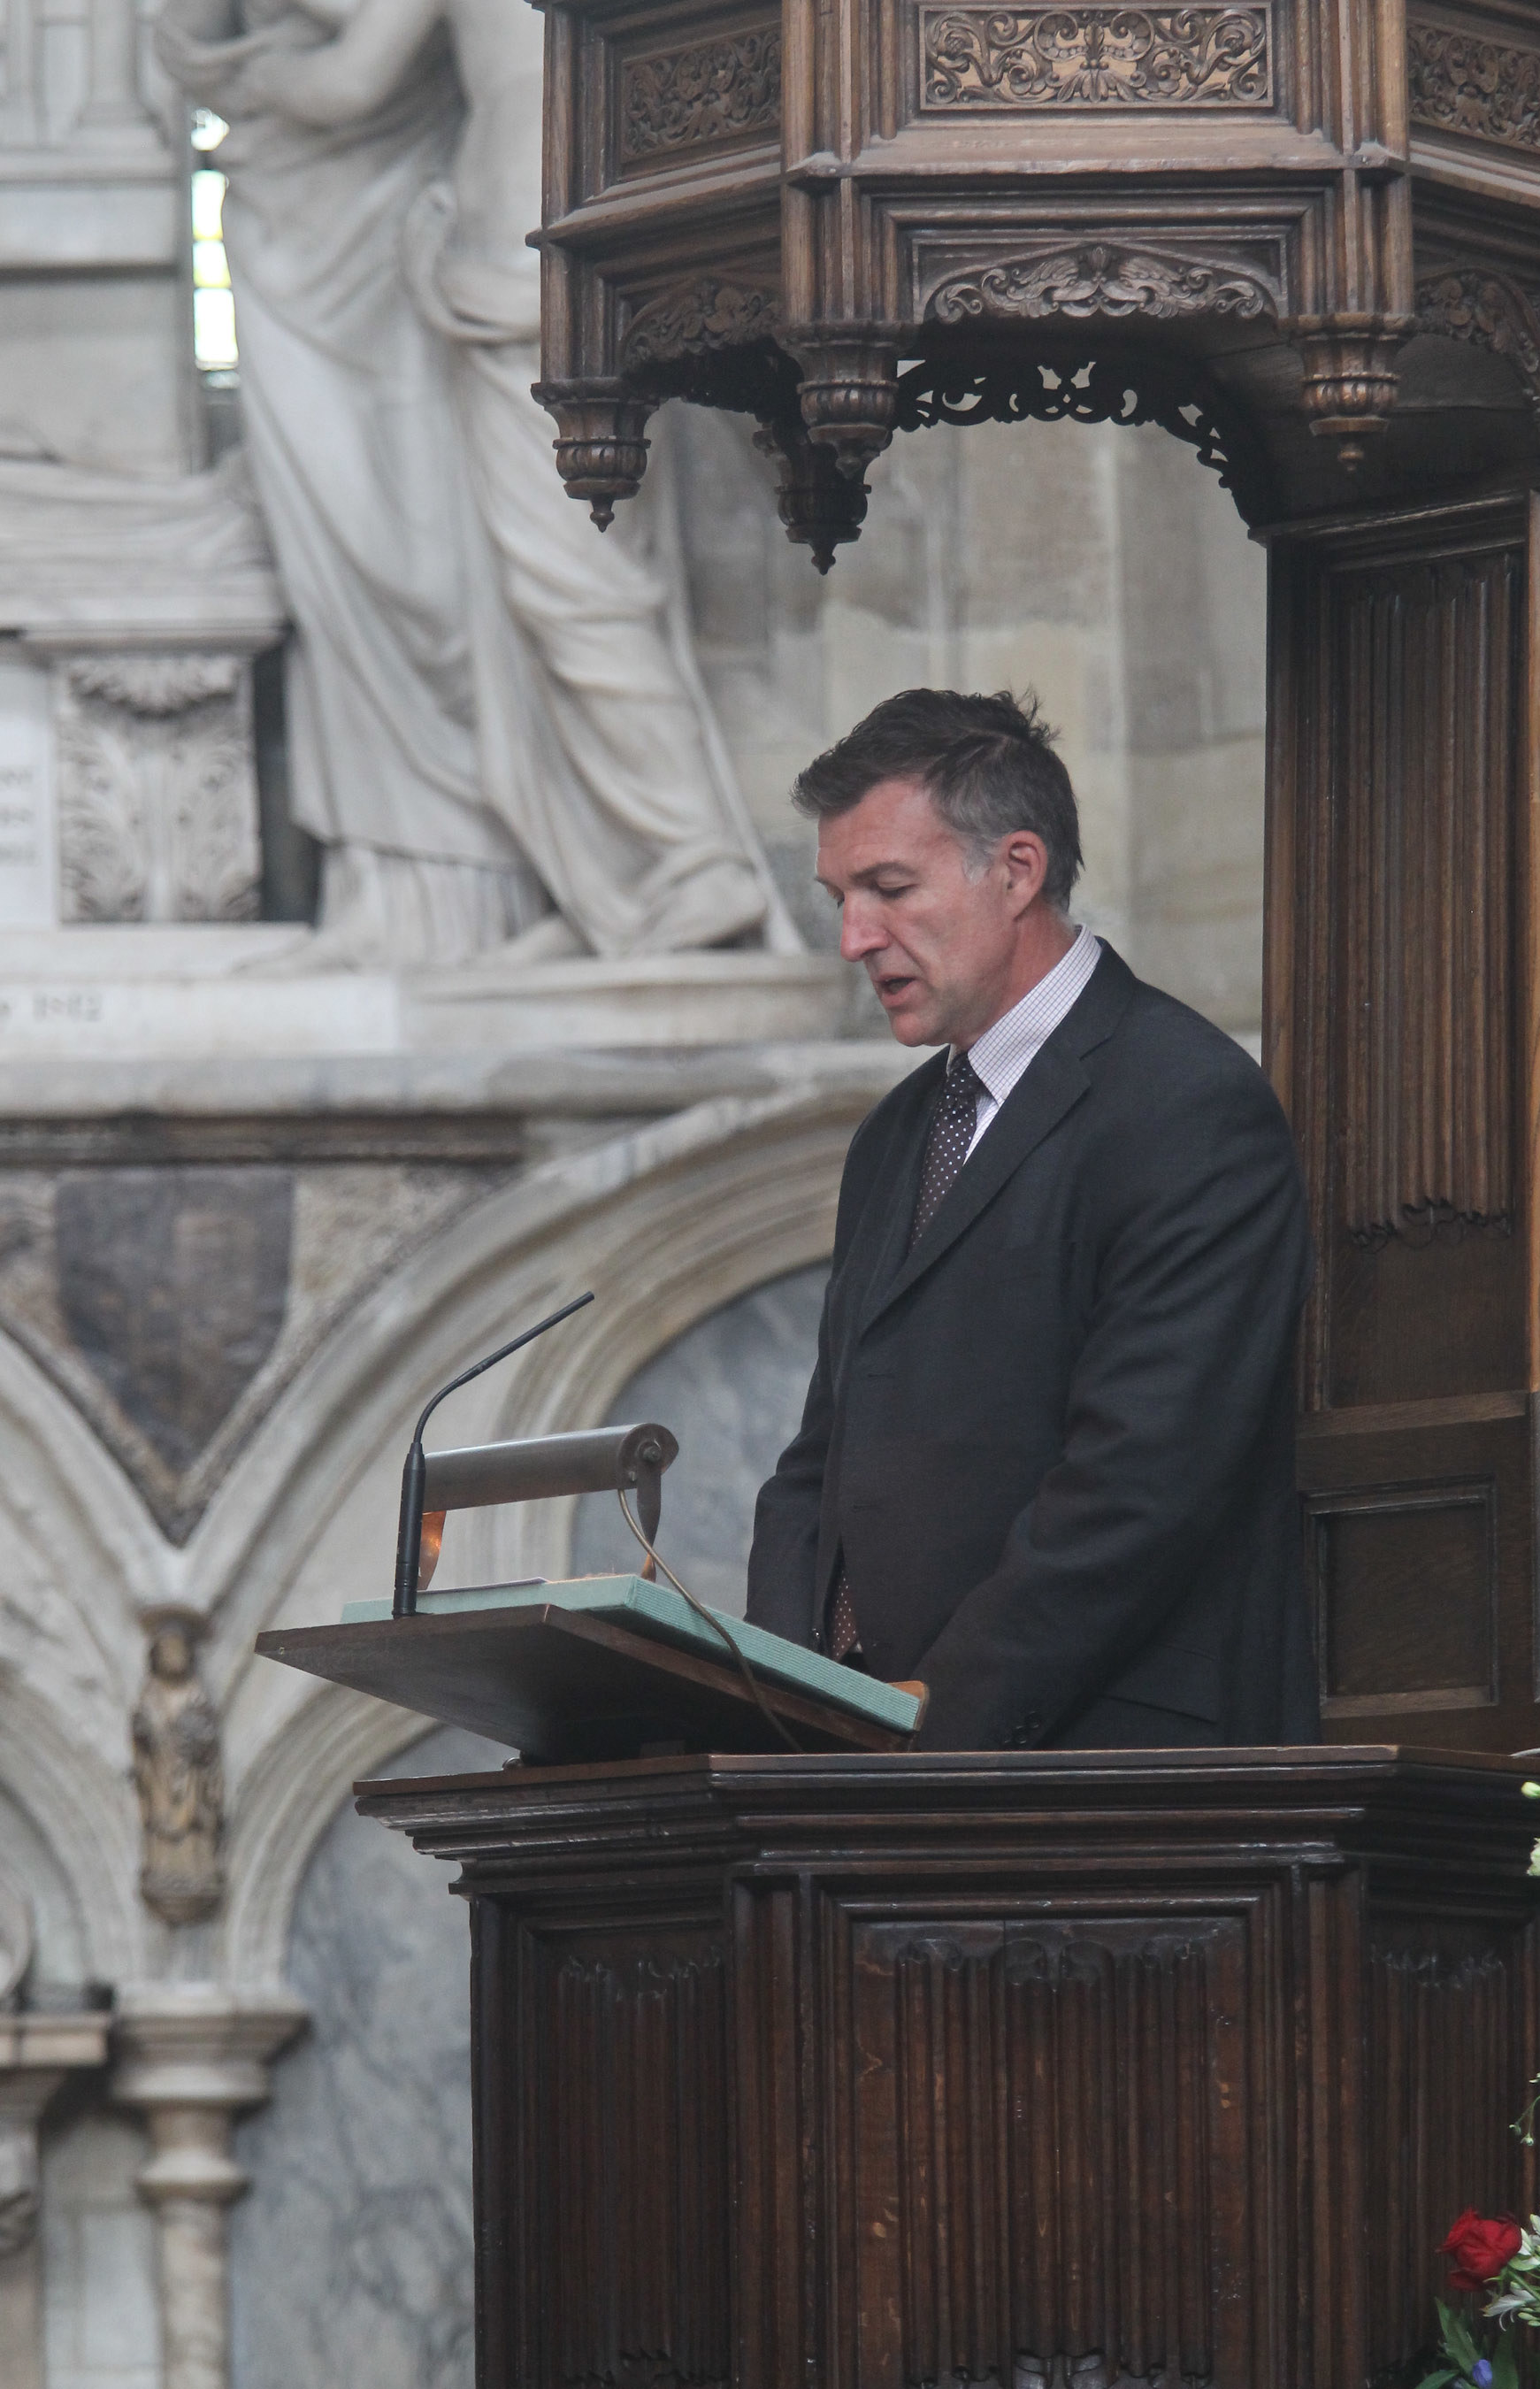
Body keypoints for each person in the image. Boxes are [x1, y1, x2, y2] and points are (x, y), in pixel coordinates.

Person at [157, 0, 790, 964]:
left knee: (570, 588)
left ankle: (692, 865)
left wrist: (234, 73)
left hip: (526, 273)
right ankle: (616, 886)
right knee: (569, 586)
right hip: (608, 258)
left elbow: (346, 83)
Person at [746, 688, 1316, 1752]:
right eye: (839, 898)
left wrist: (930, 1720)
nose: (853, 938)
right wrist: (783, 1708)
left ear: (1016, 870)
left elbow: (1141, 1484)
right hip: (864, 1776)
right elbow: (820, 1466)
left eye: (888, 888)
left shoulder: (1183, 1101)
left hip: (1094, 1771)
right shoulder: (896, 1134)